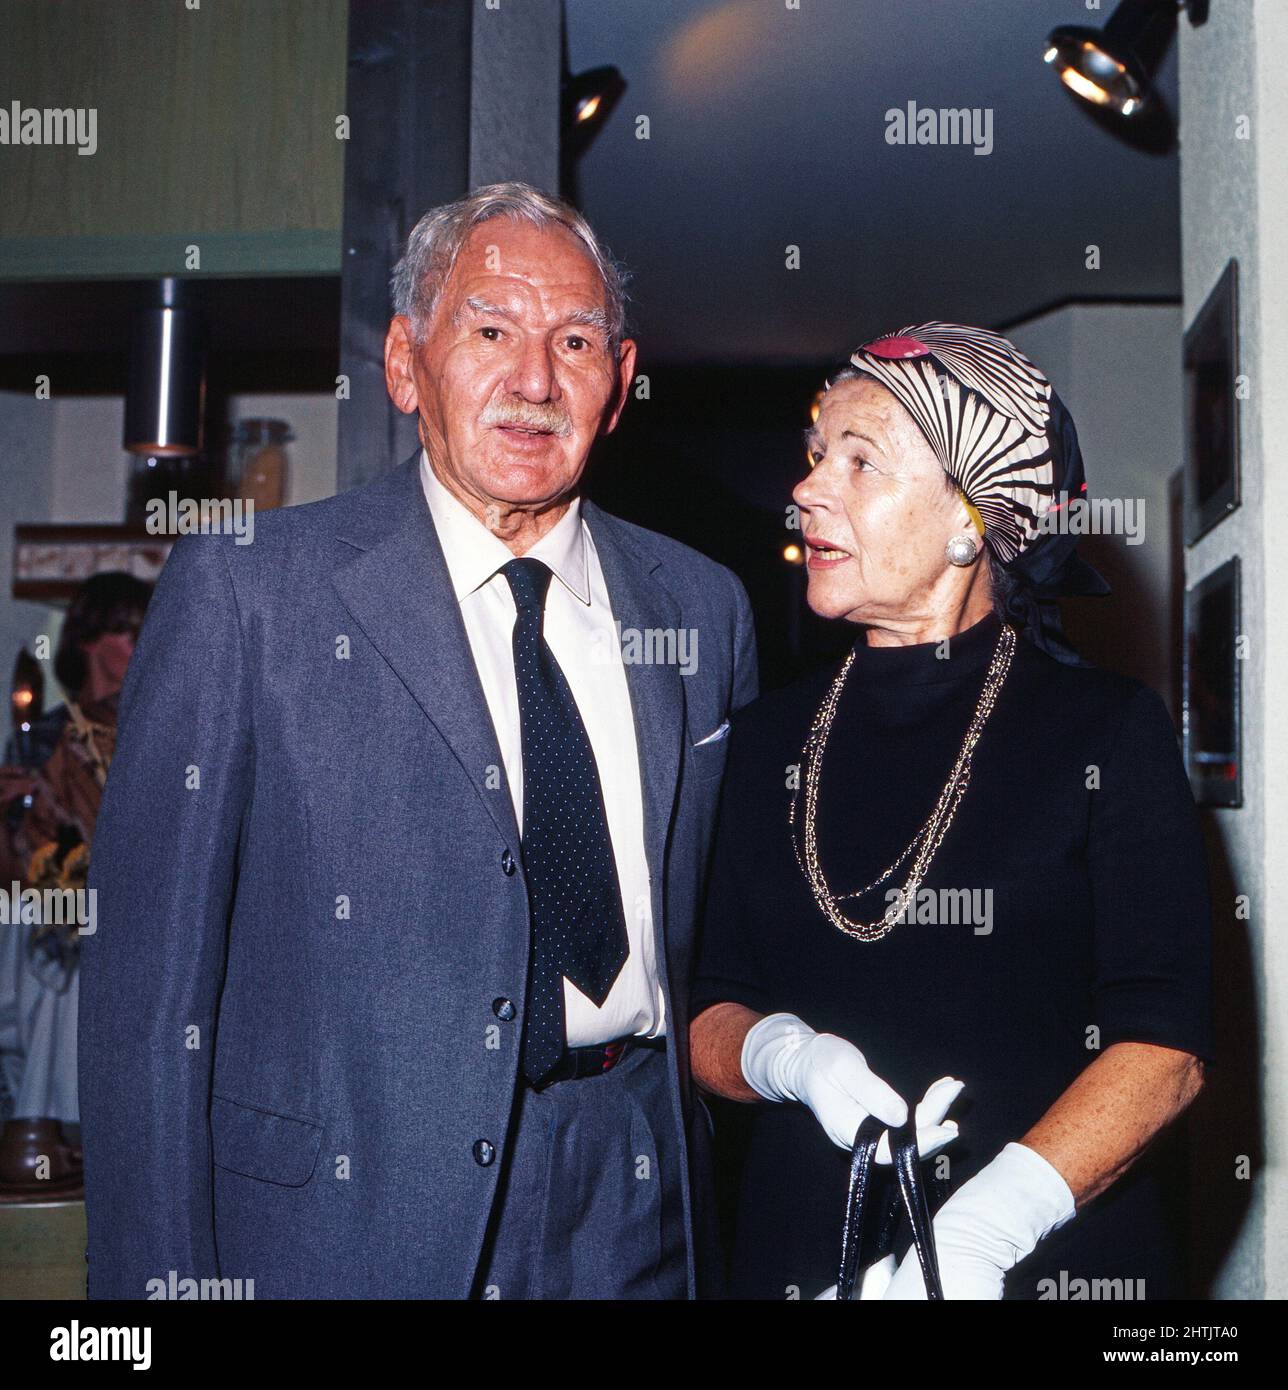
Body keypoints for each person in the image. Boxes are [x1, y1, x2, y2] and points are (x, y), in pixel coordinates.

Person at [79, 182, 757, 1299]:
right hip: (351, 1225)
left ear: (621, 384)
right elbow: (147, 1009)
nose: (534, 380)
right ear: (404, 363)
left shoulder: (702, 610)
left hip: (637, 1207)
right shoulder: (250, 590)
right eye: (489, 329)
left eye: (574, 340)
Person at [690, 322, 1213, 1300]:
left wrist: (981, 1230)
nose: (806, 488)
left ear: (973, 520)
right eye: (814, 457)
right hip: (799, 1262)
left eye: (860, 461)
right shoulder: (764, 740)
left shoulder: (1107, 733)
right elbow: (706, 1008)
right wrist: (782, 1056)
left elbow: (1165, 1045)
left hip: (1040, 1268)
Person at [0, 572, 150, 1193]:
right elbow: (15, 871)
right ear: (89, 641)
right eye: (128, 631)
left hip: (145, 913)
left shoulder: (161, 731)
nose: (145, 642)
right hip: (53, 914)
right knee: (64, 935)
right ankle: (50, 1129)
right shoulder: (45, 739)